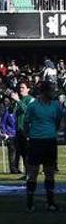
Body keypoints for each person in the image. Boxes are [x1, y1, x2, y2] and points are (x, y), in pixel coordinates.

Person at [23, 81, 64, 212]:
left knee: (50, 173)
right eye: (51, 90)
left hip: (50, 142)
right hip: (36, 142)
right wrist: (30, 135)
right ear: (45, 91)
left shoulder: (55, 105)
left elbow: (58, 121)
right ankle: (29, 203)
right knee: (33, 173)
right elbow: (26, 123)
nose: (54, 93)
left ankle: (50, 202)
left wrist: (52, 131)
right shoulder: (33, 106)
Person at [13, 80, 34, 179]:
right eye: (20, 87)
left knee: (27, 152)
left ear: (28, 89)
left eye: (23, 88)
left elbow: (28, 111)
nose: (20, 89)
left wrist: (18, 101)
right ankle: (27, 173)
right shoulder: (18, 99)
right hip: (18, 129)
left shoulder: (31, 99)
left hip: (27, 130)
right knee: (21, 152)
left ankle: (30, 173)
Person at [0, 100, 20, 174]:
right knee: (12, 152)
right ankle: (13, 169)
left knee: (18, 152)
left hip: (18, 134)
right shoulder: (7, 112)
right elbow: (2, 124)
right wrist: (4, 134)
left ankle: (17, 167)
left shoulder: (18, 112)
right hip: (10, 135)